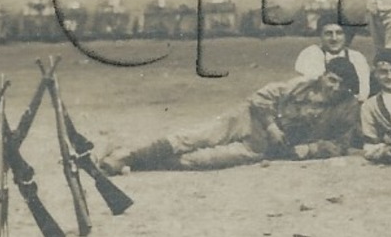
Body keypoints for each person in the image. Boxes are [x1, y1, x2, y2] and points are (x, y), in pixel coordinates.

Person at [102, 59, 362, 173]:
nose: (334, 87)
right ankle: (129, 155)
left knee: (204, 160)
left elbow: (340, 144)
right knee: (197, 136)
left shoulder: (346, 107)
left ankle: (136, 163)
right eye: (332, 80)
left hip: (263, 147)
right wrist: (271, 124)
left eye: (341, 85)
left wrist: (305, 150)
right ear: (324, 76)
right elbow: (262, 96)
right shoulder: (301, 84)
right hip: (249, 119)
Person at [294, 22, 372, 99]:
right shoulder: (311, 53)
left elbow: (363, 91)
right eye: (328, 33)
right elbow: (309, 86)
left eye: (339, 33)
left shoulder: (356, 57)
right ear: (320, 36)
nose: (334, 38)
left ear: (345, 36)